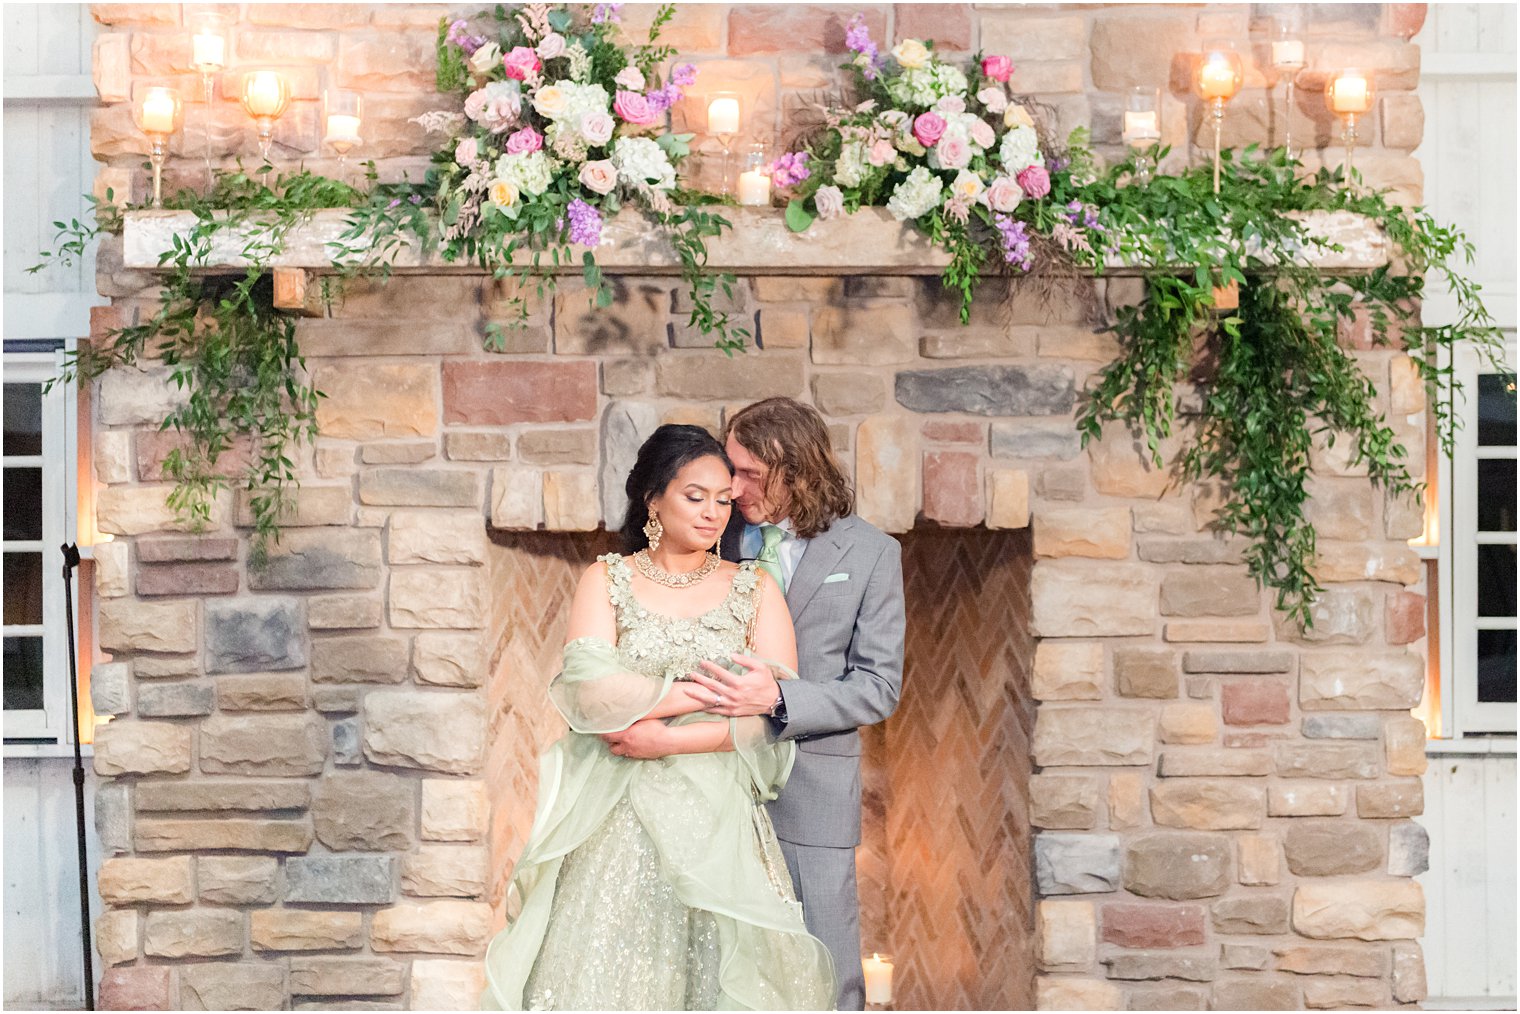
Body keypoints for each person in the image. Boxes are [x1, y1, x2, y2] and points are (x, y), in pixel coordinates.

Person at [480, 424, 836, 1011]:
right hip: (613, 820)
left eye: (724, 500)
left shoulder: (754, 588)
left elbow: (770, 718)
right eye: (696, 497)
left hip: (716, 819)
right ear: (653, 498)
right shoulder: (608, 578)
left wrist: (666, 740)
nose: (714, 514)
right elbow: (591, 695)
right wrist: (701, 689)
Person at [693, 397, 907, 1011]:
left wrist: (779, 698)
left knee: (827, 970)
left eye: (750, 474)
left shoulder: (871, 554)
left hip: (813, 788)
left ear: (797, 472)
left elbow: (878, 685)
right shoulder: (712, 535)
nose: (731, 489)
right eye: (728, 469)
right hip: (711, 779)